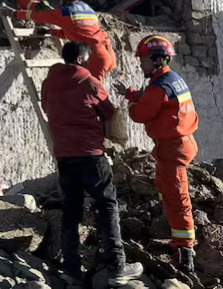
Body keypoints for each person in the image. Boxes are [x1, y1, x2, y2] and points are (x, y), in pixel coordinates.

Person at [42, 41, 144, 287]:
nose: (90, 64)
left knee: (71, 210)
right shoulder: (90, 83)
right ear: (80, 59)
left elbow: (46, 107)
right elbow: (108, 112)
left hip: (64, 156)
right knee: (107, 206)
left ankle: (71, 269)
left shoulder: (49, 83)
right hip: (91, 155)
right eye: (87, 60)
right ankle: (117, 267)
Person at [112, 36, 199, 273]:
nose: (141, 65)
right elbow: (151, 98)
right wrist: (130, 93)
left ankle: (185, 251)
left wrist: (130, 105)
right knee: (166, 190)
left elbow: (141, 113)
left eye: (144, 61)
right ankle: (177, 240)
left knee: (177, 197)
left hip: (173, 148)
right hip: (176, 144)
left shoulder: (159, 87)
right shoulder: (170, 80)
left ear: (158, 60)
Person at [15, 0, 116, 81]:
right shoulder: (89, 10)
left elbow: (41, 16)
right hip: (108, 53)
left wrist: (17, 14)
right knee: (88, 88)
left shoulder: (66, 11)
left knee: (92, 90)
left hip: (95, 57)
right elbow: (77, 33)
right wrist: (50, 31)